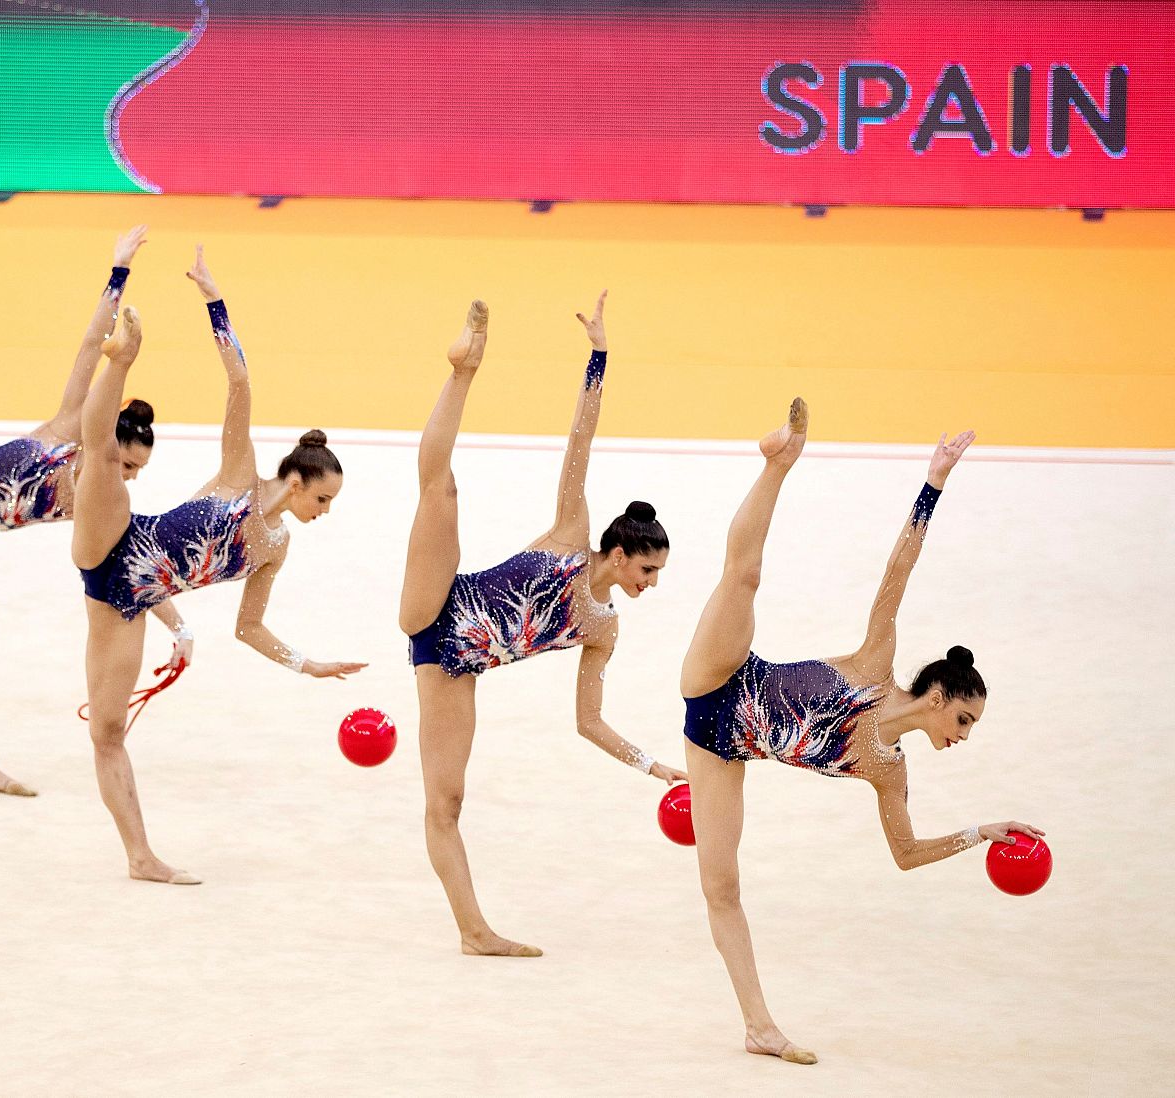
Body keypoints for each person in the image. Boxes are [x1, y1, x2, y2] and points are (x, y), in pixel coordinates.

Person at [679, 402, 1045, 1065]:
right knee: (744, 576)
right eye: (964, 719)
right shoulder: (876, 662)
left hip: (719, 747)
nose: (964, 735)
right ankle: (777, 462)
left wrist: (979, 832)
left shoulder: (889, 770)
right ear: (938, 697)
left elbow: (904, 854)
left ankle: (760, 1027)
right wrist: (933, 483)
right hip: (725, 672)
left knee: (722, 890)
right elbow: (897, 571)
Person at [399, 293, 686, 957]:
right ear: (619, 553)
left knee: (446, 803)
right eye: (648, 570)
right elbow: (579, 441)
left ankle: (475, 933)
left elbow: (588, 722)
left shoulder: (602, 628)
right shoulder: (571, 532)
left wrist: (653, 766)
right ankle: (462, 370)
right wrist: (599, 358)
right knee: (441, 489)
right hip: (438, 598)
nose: (651, 584)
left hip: (452, 664)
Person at [72, 246, 365, 884]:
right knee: (97, 454)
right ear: (293, 479)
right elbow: (240, 384)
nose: (325, 511)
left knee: (109, 730)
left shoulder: (276, 547)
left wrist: (307, 664)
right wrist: (214, 301)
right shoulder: (239, 475)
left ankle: (140, 858)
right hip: (113, 542)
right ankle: (117, 354)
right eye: (322, 498)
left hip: (129, 597)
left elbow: (248, 628)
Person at [0, 230, 193, 795]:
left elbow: (139, 569)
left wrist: (118, 270)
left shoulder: (73, 438)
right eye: (127, 464)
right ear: (110, 442)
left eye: (135, 473)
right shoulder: (86, 465)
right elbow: (92, 346)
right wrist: (118, 272)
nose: (128, 478)